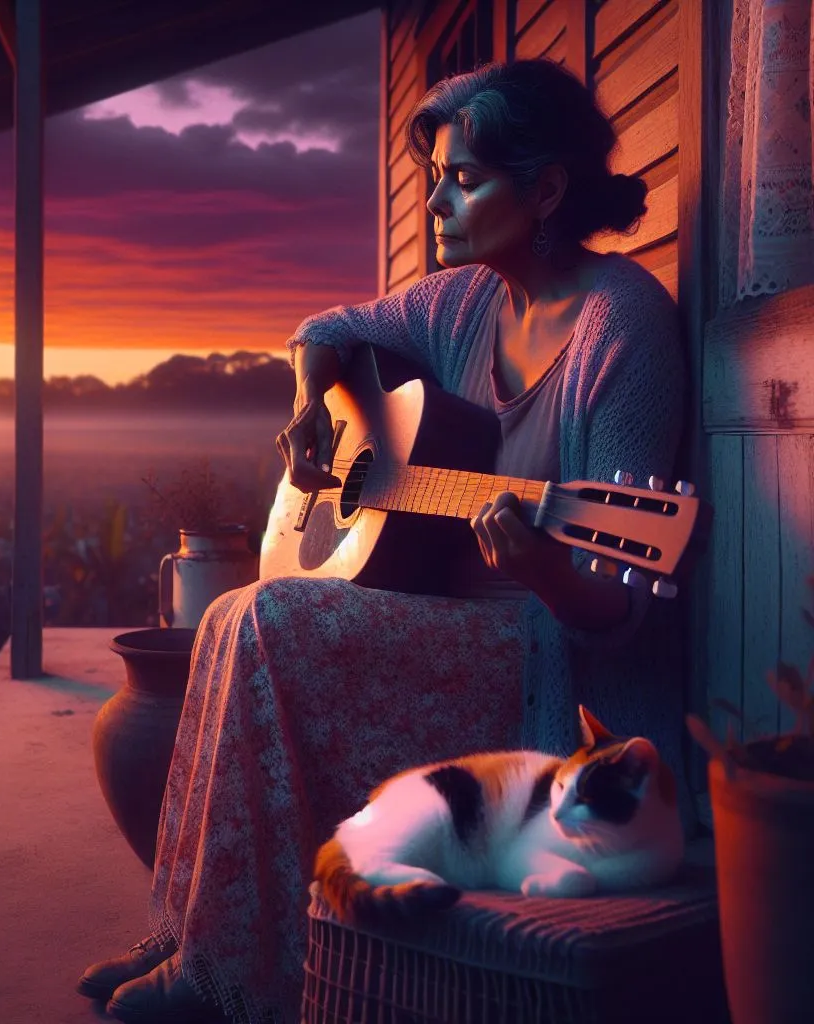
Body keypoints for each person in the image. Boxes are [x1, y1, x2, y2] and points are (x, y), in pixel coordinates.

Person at [78, 58, 693, 1024]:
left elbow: (620, 611)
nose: (437, 200)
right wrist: (310, 403)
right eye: (437, 175)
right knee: (239, 610)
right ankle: (191, 931)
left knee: (268, 616)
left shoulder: (625, 329)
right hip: (441, 617)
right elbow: (323, 328)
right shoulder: (464, 302)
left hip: (543, 663)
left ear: (545, 190)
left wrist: (542, 568)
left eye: (464, 178)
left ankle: (236, 978)